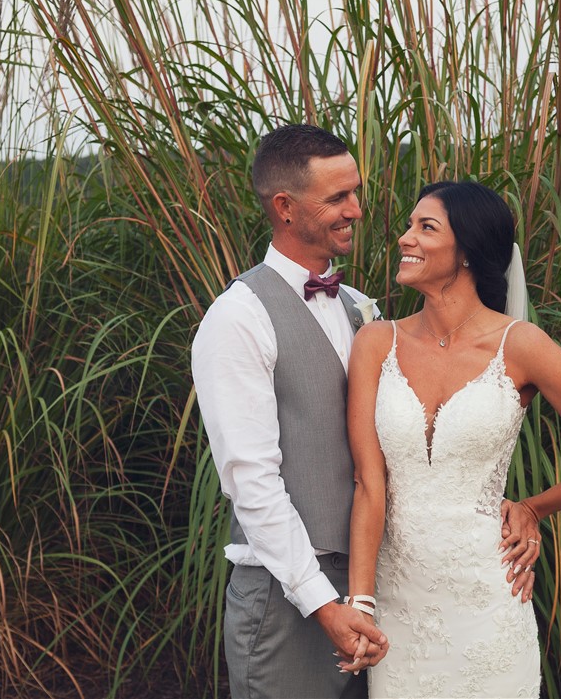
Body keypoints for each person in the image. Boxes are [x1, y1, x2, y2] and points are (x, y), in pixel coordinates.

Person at [345, 180, 561, 698]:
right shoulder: (376, 341)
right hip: (398, 601)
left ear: (467, 251)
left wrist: (533, 507)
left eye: (426, 227)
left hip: (488, 593)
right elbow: (369, 483)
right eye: (409, 225)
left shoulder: (520, 344)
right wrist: (362, 603)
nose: (404, 238)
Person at [192, 124, 389, 699]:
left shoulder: (359, 306)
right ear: (284, 206)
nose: (356, 209)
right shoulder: (238, 318)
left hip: (368, 584)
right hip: (287, 596)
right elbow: (251, 482)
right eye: (337, 198)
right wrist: (322, 603)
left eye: (356, 191)